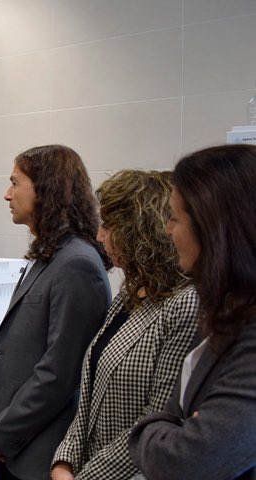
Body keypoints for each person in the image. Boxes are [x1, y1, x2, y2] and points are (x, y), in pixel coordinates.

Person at [0, 145, 111, 480]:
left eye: (15, 183)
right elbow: (14, 355)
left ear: (46, 189)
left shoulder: (77, 264)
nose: (7, 194)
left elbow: (59, 375)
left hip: (43, 454)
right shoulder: (48, 256)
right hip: (16, 445)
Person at [50, 170, 199, 480]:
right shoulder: (130, 294)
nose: (101, 236)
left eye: (109, 226)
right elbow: (89, 394)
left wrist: (85, 477)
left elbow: (156, 421)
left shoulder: (184, 304)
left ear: (139, 231)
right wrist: (64, 462)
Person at [128, 144, 256, 480]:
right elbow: (177, 416)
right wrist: (177, 424)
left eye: (174, 218)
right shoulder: (226, 312)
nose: (167, 230)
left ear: (214, 229)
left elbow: (181, 461)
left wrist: (154, 428)